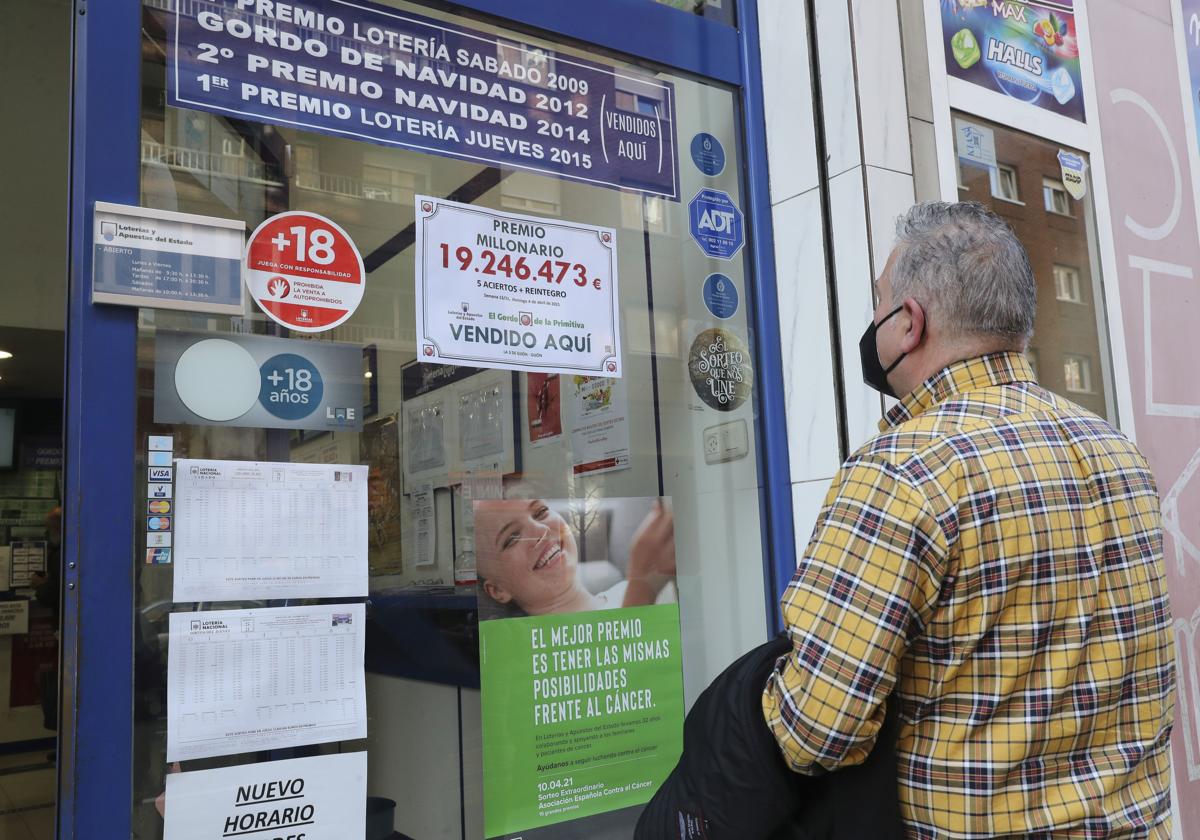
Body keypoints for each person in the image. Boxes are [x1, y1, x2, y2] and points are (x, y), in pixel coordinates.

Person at [763, 202, 1175, 837]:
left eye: (879, 302)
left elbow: (817, 730)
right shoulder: (1120, 455)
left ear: (910, 324)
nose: (873, 322)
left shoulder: (901, 474)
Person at [474, 497, 675, 616]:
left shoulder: (627, 589)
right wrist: (641, 585)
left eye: (541, 512)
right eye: (512, 538)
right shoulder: (535, 656)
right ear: (498, 590)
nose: (541, 530)